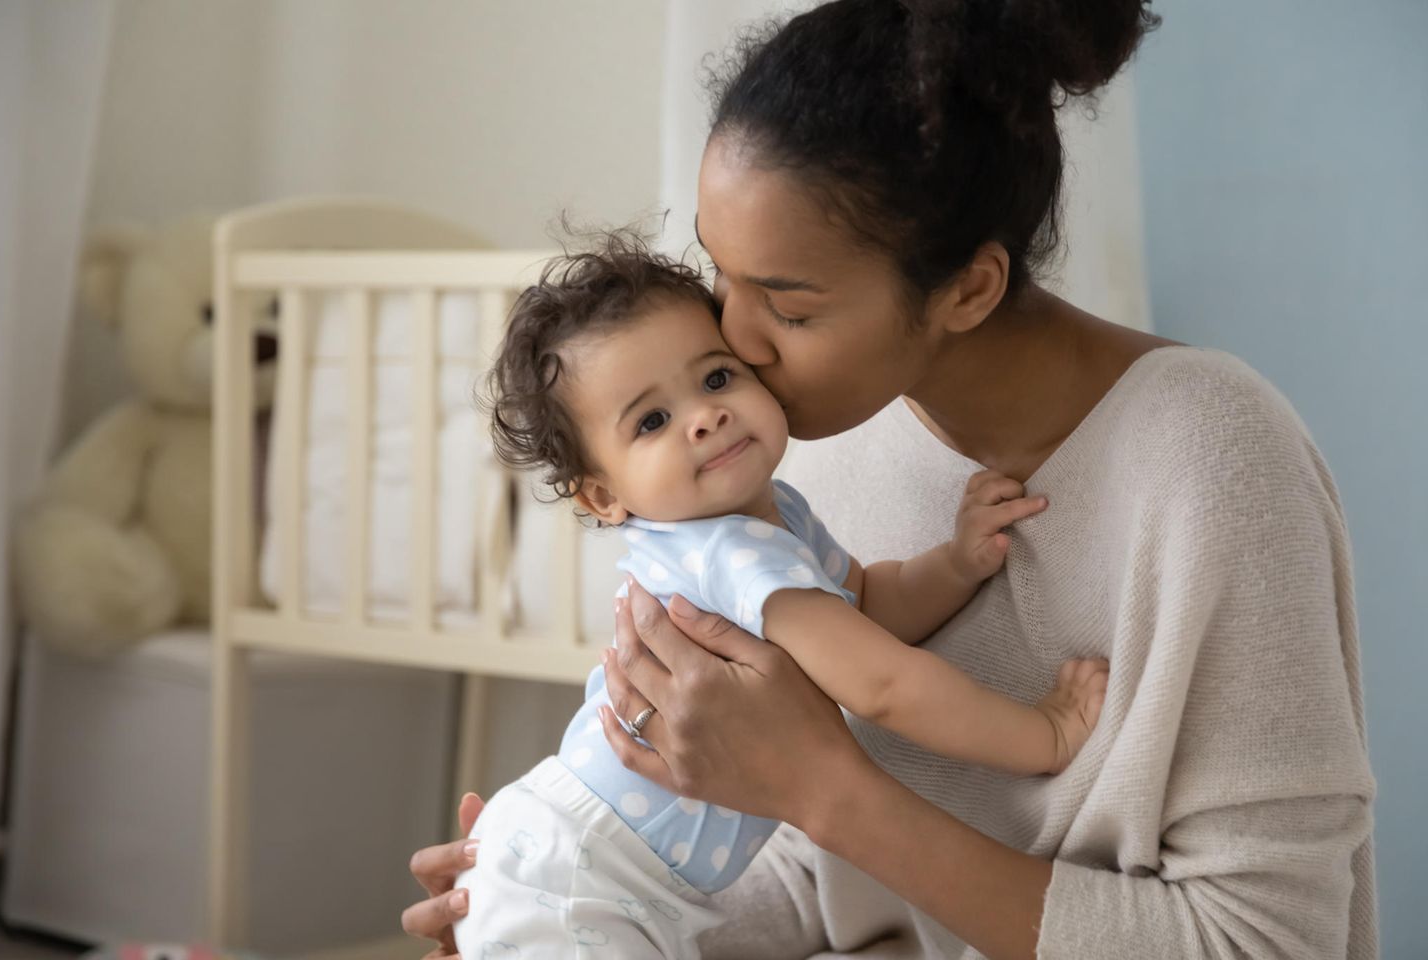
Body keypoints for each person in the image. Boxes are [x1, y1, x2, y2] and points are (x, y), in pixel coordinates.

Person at [403, 1, 1378, 957]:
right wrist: (572, 899)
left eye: (785, 307)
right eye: (719, 275)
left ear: (968, 289)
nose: (731, 344)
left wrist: (829, 791)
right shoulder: (797, 447)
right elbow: (819, 880)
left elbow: (1268, 942)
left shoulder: (1211, 456)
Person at [451, 233, 1107, 957]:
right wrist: (1040, 735)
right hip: (583, 876)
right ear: (607, 495)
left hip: (585, 868)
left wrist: (955, 563)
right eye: (652, 421)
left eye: (716, 378)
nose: (705, 416)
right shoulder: (730, 554)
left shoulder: (775, 513)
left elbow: (866, 602)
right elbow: (884, 684)